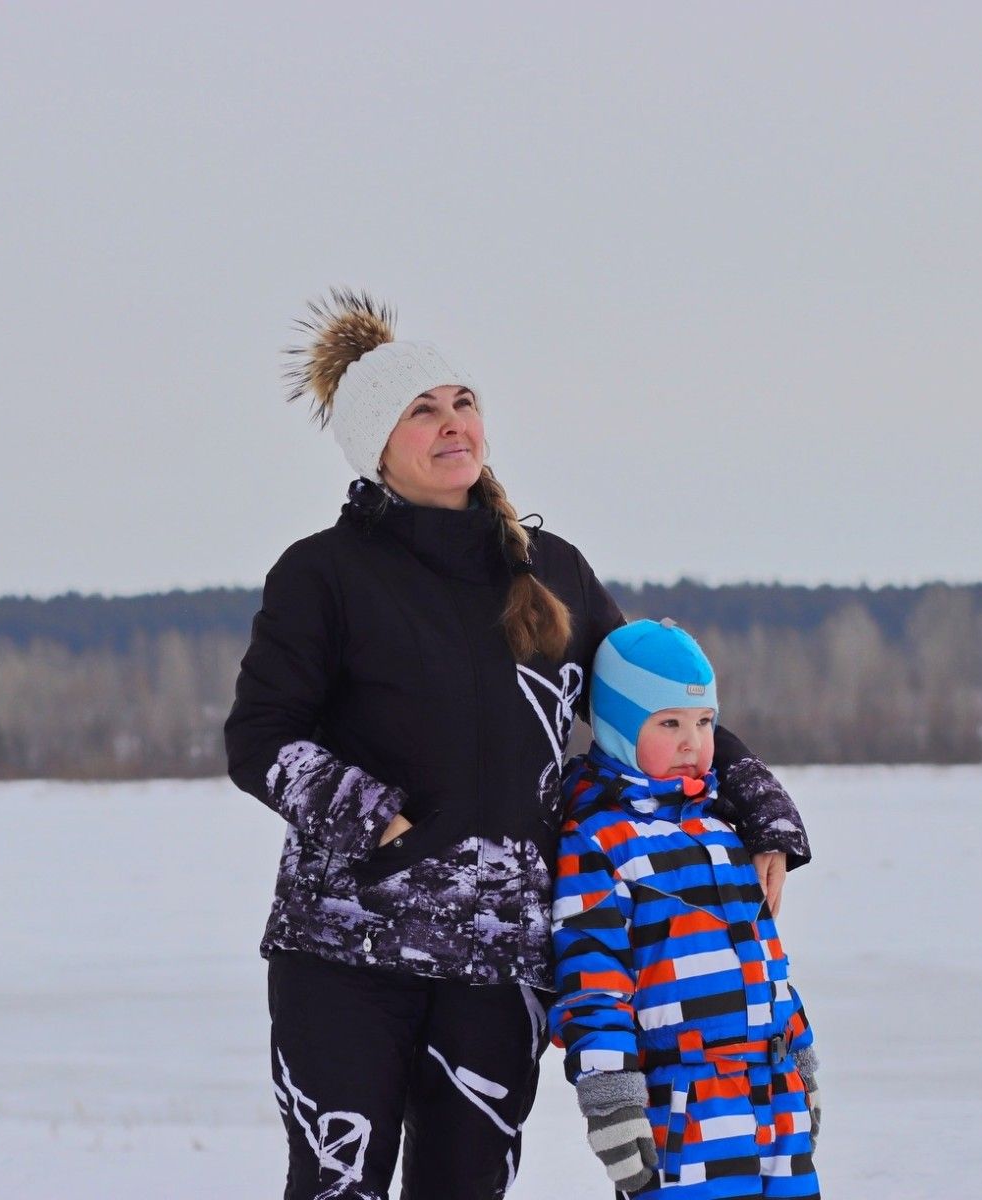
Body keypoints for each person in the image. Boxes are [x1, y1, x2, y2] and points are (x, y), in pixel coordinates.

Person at [224, 290, 812, 1200]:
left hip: (501, 967)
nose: (452, 423)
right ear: (376, 445)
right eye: (423, 410)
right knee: (339, 1188)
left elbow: (650, 708)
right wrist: (377, 818)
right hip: (345, 957)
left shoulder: (554, 570)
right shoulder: (323, 574)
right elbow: (260, 738)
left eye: (463, 402)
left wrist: (758, 809)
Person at [550, 618, 820, 1198]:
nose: (692, 742)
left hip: (772, 1099)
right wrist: (612, 1101)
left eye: (704, 722)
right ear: (619, 726)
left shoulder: (722, 829)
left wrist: (798, 1051)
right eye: (668, 723)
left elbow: (764, 955)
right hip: (682, 1110)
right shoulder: (600, 842)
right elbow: (593, 985)